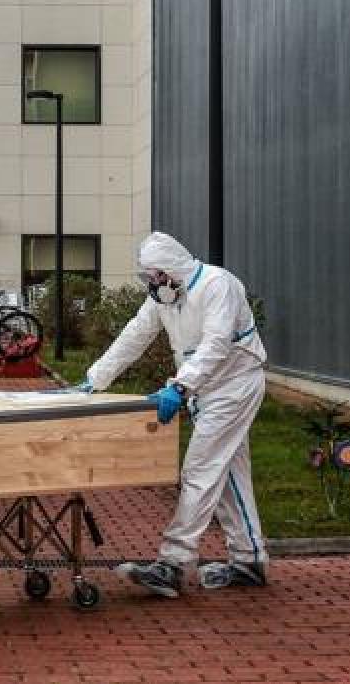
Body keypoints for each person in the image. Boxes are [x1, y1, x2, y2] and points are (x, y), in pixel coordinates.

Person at [81, 232, 268, 598]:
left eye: (155, 277)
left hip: (234, 384)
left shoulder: (217, 285)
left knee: (199, 470)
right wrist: (93, 380)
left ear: (172, 271)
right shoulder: (167, 297)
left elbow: (216, 344)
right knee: (225, 472)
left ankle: (173, 562)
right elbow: (135, 334)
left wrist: (180, 387)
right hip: (206, 389)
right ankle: (249, 560)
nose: (152, 285)